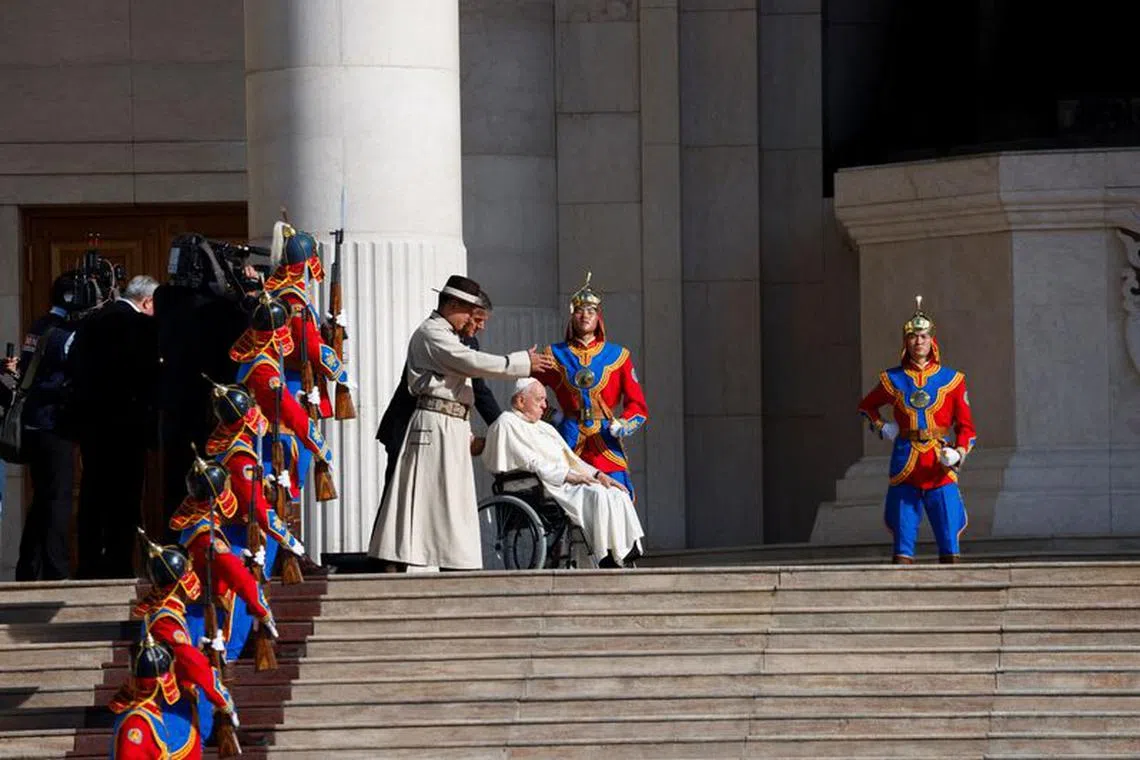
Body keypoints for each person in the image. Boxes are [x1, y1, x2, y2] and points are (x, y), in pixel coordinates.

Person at [367, 275, 556, 571]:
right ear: (452, 305)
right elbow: (471, 363)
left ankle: (452, 559)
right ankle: (399, 561)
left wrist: (471, 431)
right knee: (421, 498)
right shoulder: (432, 333)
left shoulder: (452, 337)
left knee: (451, 499)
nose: (474, 321)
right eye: (470, 312)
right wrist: (520, 363)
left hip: (450, 425)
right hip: (430, 427)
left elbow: (467, 389)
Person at [857, 296, 977, 564]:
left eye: (923, 336)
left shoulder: (953, 380)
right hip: (905, 462)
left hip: (939, 463)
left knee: (949, 539)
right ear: (905, 341)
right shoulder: (892, 379)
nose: (918, 341)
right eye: (913, 336)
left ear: (932, 340)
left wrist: (958, 452)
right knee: (902, 544)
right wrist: (882, 427)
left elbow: (967, 428)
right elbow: (867, 406)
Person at [483, 378, 645, 567]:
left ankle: (625, 550)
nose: (545, 406)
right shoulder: (507, 423)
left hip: (564, 481)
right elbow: (529, 462)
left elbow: (572, 460)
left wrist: (598, 475)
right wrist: (568, 476)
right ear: (520, 401)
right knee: (598, 494)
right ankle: (606, 555)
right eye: (540, 400)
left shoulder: (544, 427)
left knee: (618, 492)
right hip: (543, 484)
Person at [69, 274, 162, 578]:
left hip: (92, 424)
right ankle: (119, 562)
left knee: (93, 491)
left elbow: (75, 367)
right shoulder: (139, 326)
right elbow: (148, 375)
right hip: (127, 424)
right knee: (125, 495)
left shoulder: (92, 321)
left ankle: (88, 563)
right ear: (147, 302)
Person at [375, 291, 502, 501]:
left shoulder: (470, 343)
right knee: (397, 501)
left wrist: (501, 425)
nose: (481, 327)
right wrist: (521, 363)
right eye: (478, 320)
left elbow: (479, 391)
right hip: (408, 426)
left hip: (441, 433)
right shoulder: (433, 336)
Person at [533, 272, 648, 499]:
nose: (585, 315)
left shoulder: (618, 355)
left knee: (618, 499)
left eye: (591, 311)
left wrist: (623, 425)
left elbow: (638, 406)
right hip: (568, 437)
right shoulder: (555, 354)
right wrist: (551, 416)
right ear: (572, 316)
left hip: (606, 441)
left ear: (599, 318)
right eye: (579, 310)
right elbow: (528, 389)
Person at [14, 272, 81, 581]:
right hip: (55, 424)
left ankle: (29, 568)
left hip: (33, 423)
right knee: (58, 498)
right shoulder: (66, 333)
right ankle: (57, 570)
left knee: (42, 496)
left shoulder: (39, 326)